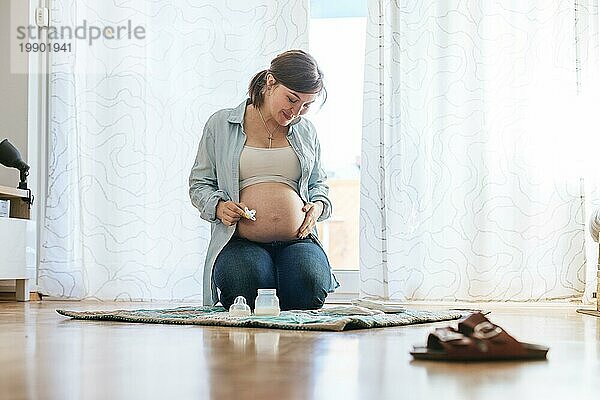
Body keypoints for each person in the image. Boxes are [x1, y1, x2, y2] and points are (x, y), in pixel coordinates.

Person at [189, 49, 339, 310]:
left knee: (309, 284)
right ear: (270, 82)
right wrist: (218, 207)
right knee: (244, 283)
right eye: (292, 100)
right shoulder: (222, 124)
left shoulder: (305, 131)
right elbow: (199, 183)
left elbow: (319, 184)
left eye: (306, 106)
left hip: (298, 239)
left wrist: (318, 206)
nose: (296, 112)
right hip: (240, 240)